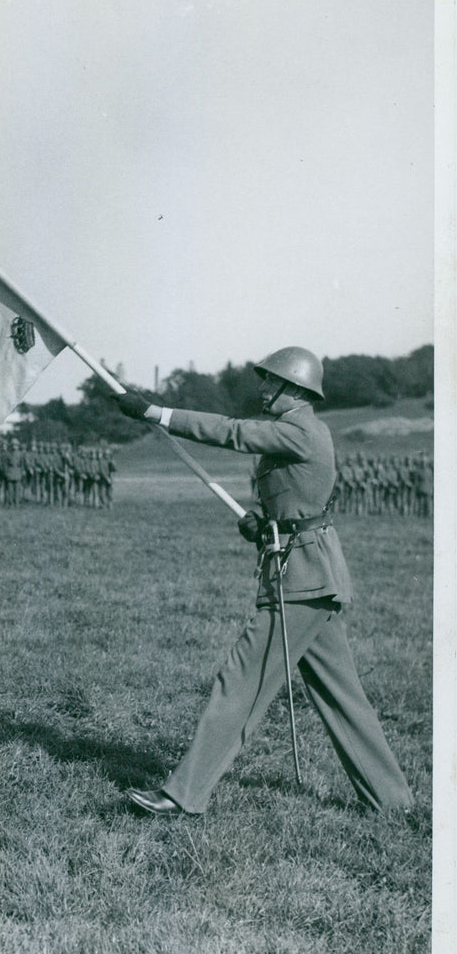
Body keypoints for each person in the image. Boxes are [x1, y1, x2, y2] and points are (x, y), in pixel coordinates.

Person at [116, 346, 413, 817]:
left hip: (303, 580)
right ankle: (395, 804)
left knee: (241, 680)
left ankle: (184, 795)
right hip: (308, 574)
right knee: (343, 696)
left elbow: (232, 433)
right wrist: (263, 521)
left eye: (270, 382)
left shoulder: (301, 430)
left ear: (294, 389)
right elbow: (297, 501)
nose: (262, 389)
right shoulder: (298, 430)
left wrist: (158, 413)